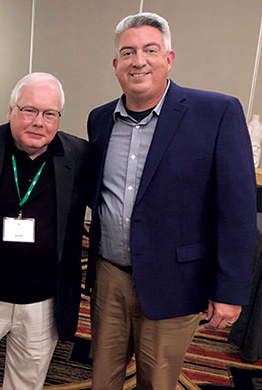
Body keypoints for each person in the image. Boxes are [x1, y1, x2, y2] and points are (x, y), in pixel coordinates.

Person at [87, 12, 257, 389]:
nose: (139, 60)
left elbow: (237, 212)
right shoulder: (100, 120)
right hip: (110, 277)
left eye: (150, 50)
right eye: (128, 53)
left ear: (169, 58)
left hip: (175, 280)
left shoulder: (216, 113)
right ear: (116, 65)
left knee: (158, 382)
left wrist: (228, 291)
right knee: (103, 378)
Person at [0, 72, 91, 390]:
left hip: (43, 301)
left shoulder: (79, 156)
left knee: (27, 382)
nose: (39, 121)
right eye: (30, 110)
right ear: (11, 111)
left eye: (50, 113)